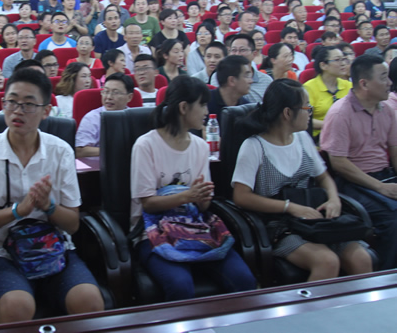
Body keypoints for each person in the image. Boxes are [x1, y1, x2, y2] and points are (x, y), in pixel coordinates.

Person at [0, 68, 104, 323]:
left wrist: (49, 207)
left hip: (53, 247)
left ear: (46, 111)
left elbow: (72, 225)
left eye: (29, 104)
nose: (17, 110)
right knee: (17, 307)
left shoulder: (61, 152)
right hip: (1, 252)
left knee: (90, 301)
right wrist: (16, 212)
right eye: (11, 102)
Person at [232, 78, 372, 281]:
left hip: (314, 220)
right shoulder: (254, 146)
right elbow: (241, 196)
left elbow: (324, 178)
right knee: (327, 261)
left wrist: (334, 199)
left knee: (361, 258)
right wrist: (289, 207)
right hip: (280, 226)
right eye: (307, 107)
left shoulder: (302, 138)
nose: (310, 113)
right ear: (288, 113)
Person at [132, 75, 256, 300]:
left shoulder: (200, 146)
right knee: (180, 286)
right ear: (183, 107)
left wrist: (201, 197)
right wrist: (188, 195)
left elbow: (203, 205)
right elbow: (148, 204)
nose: (207, 111)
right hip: (152, 230)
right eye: (202, 104)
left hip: (195, 227)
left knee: (244, 280)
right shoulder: (146, 145)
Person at [320, 55, 397, 270]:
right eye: (384, 77)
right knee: (393, 218)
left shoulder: (387, 109)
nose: (390, 83)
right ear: (364, 84)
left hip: (384, 176)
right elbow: (339, 163)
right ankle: (387, 279)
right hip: (354, 182)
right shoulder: (340, 113)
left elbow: (395, 150)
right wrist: (381, 187)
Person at [76, 72, 133, 158]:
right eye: (106, 91)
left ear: (129, 97)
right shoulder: (92, 118)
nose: (108, 97)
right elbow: (80, 151)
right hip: (98, 165)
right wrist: (114, 151)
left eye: (115, 93)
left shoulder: (134, 118)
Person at [303, 46, 352, 140]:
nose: (343, 64)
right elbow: (304, 119)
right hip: (320, 138)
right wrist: (332, 125)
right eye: (337, 60)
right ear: (323, 65)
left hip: (348, 136)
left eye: (344, 59)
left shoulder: (349, 86)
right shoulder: (309, 88)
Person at [209, 56, 252, 124]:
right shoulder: (205, 103)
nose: (251, 81)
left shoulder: (246, 107)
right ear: (232, 80)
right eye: (246, 76)